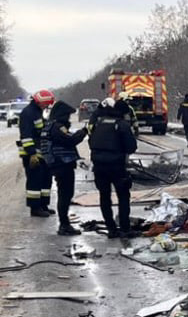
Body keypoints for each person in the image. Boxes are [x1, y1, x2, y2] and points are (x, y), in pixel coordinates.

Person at [87, 97, 138, 238]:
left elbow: (91, 142)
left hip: (98, 166)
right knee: (123, 196)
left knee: (104, 197)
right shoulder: (121, 125)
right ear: (123, 113)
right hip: (116, 166)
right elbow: (131, 147)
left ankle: (111, 229)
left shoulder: (99, 122)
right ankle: (125, 228)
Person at [43, 100, 88, 235]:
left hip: (58, 164)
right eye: (67, 115)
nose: (68, 118)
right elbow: (70, 140)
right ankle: (64, 225)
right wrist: (84, 131)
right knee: (65, 194)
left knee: (65, 194)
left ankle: (65, 223)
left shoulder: (50, 125)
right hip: (62, 164)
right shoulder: (57, 127)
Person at [17, 89, 56, 217]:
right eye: (47, 104)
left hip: (41, 153)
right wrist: (31, 153)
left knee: (45, 179)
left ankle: (43, 205)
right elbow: (26, 136)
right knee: (35, 181)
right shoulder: (28, 113)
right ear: (40, 102)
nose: (47, 106)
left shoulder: (37, 112)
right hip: (32, 154)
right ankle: (35, 208)